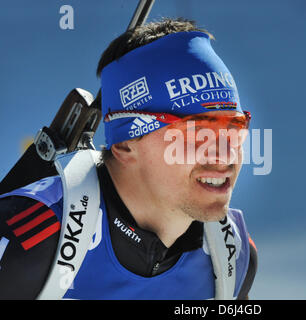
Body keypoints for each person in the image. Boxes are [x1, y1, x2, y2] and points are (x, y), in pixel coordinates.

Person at [0, 18, 257, 300]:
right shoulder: (31, 237)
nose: (223, 154)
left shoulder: (232, 253)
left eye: (233, 128)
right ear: (125, 144)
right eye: (195, 132)